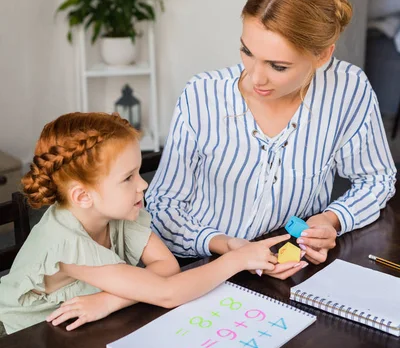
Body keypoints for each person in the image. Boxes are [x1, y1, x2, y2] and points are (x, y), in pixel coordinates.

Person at [147, 0, 397, 277]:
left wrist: (331, 220)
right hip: (199, 263)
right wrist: (227, 247)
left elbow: (377, 180)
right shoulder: (202, 95)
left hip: (286, 266)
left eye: (278, 66)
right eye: (247, 52)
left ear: (322, 55)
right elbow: (162, 206)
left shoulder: (347, 90)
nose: (256, 78)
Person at [0, 112, 290, 335]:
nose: (143, 185)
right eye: (128, 178)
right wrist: (236, 259)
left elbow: (167, 268)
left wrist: (110, 300)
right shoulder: (65, 243)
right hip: (24, 338)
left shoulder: (120, 209)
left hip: (78, 324)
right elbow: (168, 292)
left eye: (139, 173)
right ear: (83, 196)